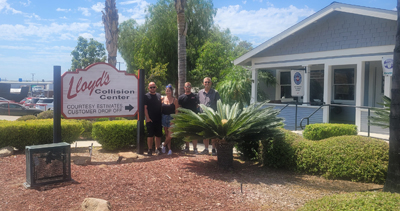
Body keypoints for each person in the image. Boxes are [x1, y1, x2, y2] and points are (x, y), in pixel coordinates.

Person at [198, 77, 221, 156]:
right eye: (205, 82)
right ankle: (206, 149)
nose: (207, 84)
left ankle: (213, 149)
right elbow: (197, 103)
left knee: (213, 133)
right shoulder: (200, 93)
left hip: (212, 116)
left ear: (211, 83)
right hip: (203, 116)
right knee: (205, 133)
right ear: (203, 83)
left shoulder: (215, 92)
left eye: (208, 82)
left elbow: (219, 104)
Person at [178, 82, 199, 154]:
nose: (188, 88)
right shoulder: (181, 97)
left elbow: (197, 106)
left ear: (191, 87)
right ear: (184, 87)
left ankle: (195, 148)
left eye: (189, 86)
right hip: (184, 118)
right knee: (186, 133)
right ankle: (187, 148)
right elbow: (179, 108)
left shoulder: (195, 96)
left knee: (194, 133)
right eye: (186, 86)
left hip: (193, 117)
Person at [144, 82, 163, 156]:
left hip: (158, 118)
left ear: (156, 87)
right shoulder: (146, 96)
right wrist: (147, 118)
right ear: (148, 88)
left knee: (158, 135)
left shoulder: (158, 95)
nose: (152, 88)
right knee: (150, 135)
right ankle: (149, 150)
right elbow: (145, 108)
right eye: (151, 87)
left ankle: (157, 149)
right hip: (150, 119)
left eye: (154, 87)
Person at [161, 84, 179, 155]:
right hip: (164, 117)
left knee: (170, 135)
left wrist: (174, 119)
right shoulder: (162, 99)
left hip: (171, 118)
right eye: (167, 91)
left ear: (172, 92)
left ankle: (163, 145)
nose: (168, 92)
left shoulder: (175, 100)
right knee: (166, 134)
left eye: (169, 91)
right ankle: (169, 149)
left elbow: (176, 111)